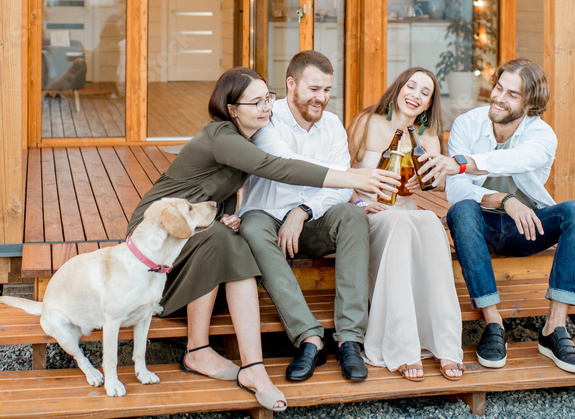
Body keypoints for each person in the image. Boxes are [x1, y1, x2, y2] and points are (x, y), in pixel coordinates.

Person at [125, 67, 398, 412]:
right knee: (226, 240)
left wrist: (225, 213)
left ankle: (254, 368)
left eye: (266, 98)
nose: (266, 107)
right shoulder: (222, 136)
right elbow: (280, 167)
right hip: (157, 232)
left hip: (192, 227)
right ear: (232, 107)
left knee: (233, 240)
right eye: (255, 102)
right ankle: (198, 351)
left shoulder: (246, 136)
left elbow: (213, 188)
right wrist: (353, 176)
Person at [419, 58, 575, 374]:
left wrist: (464, 163)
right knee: (461, 209)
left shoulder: (542, 136)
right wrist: (503, 199)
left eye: (512, 94)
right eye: (498, 87)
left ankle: (554, 328)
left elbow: (515, 159)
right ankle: (493, 322)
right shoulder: (467, 124)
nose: (499, 97)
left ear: (530, 104)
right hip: (478, 225)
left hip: (525, 228)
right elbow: (457, 190)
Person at [238, 51, 370, 384]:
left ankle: (351, 338)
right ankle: (309, 338)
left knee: (353, 216)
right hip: (268, 219)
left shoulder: (333, 124)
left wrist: (304, 211)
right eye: (314, 89)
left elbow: (342, 189)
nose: (321, 98)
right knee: (252, 226)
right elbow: (287, 165)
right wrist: (346, 177)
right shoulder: (266, 118)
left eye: (327, 90)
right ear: (291, 84)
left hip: (313, 222)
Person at [346, 67, 465, 381]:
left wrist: (422, 183)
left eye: (424, 92)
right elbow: (340, 173)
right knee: (400, 222)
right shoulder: (366, 122)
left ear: (428, 104)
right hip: (367, 211)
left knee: (429, 221)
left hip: (406, 211)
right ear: (398, 89)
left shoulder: (427, 137)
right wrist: (358, 203)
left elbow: (436, 184)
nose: (415, 95)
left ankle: (445, 344)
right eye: (411, 87)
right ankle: (401, 346)